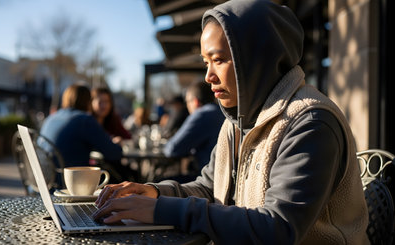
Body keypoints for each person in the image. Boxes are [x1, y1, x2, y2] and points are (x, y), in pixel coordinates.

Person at [93, 1, 369, 244]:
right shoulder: (236, 122)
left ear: (258, 57)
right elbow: (209, 189)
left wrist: (161, 210)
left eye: (219, 60)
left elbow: (277, 229)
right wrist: (153, 193)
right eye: (206, 62)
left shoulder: (309, 122)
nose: (208, 76)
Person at [40, 83, 122, 168]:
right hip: (70, 178)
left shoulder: (51, 118)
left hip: (45, 176)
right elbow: (113, 154)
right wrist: (118, 145)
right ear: (88, 101)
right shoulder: (84, 120)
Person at [163, 81, 224, 182]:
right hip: (222, 178)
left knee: (158, 182)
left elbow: (172, 149)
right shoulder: (221, 112)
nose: (187, 106)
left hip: (207, 181)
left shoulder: (201, 114)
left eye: (187, 102)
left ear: (195, 101)